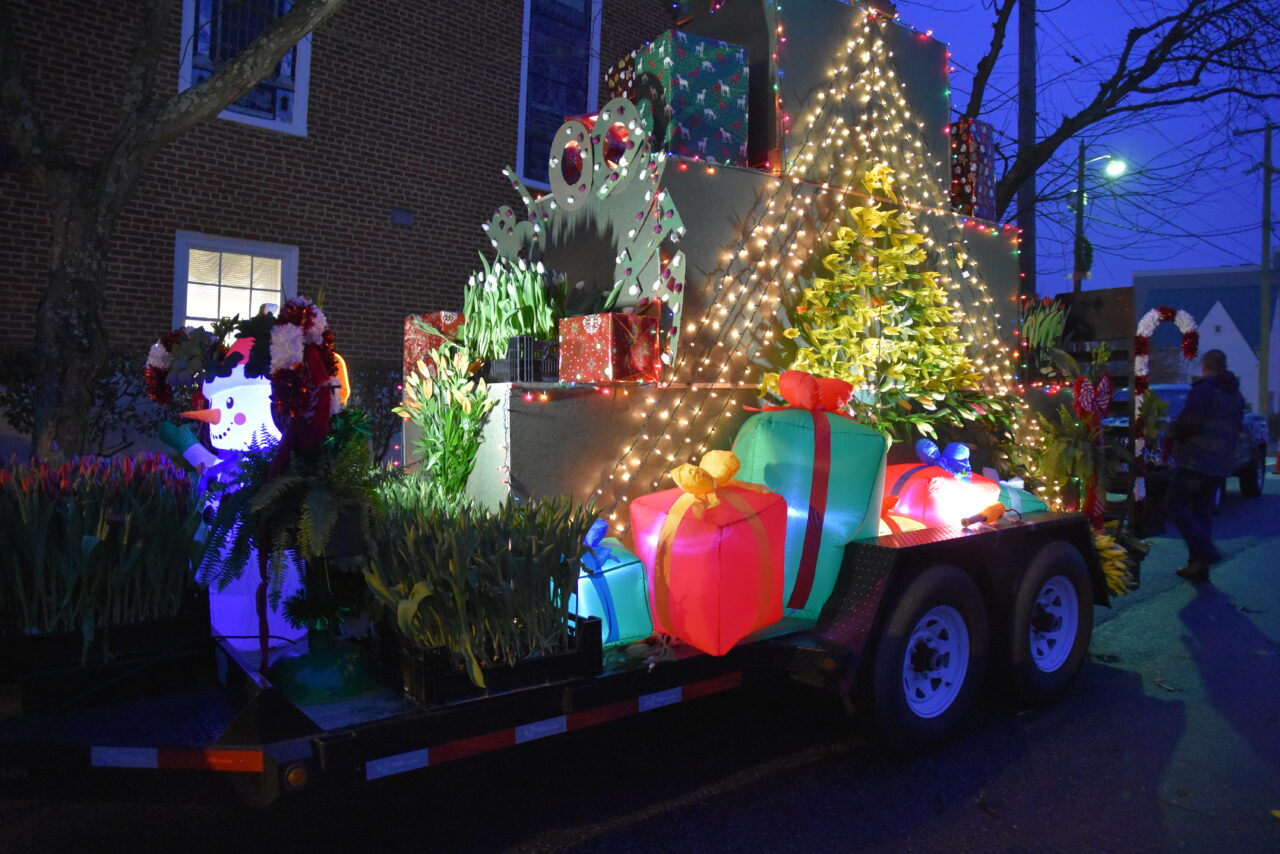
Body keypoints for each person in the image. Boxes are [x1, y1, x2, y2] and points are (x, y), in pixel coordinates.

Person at [1164, 349, 1245, 582]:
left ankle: (1206, 550)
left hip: (1194, 461)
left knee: (1175, 505)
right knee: (1202, 513)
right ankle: (1198, 567)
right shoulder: (1236, 396)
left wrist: (1171, 429)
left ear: (1205, 367)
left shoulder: (1204, 390)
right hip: (1219, 464)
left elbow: (1189, 423)